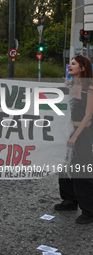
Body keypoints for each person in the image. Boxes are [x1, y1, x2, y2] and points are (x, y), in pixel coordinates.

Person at [54, 55, 93, 224]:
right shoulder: (70, 86)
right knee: (63, 166)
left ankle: (89, 210)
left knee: (81, 170)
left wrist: (76, 135)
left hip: (82, 132)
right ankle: (69, 200)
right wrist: (65, 87)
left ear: (82, 68)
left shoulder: (89, 88)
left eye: (73, 64)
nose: (69, 65)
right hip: (67, 130)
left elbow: (89, 114)